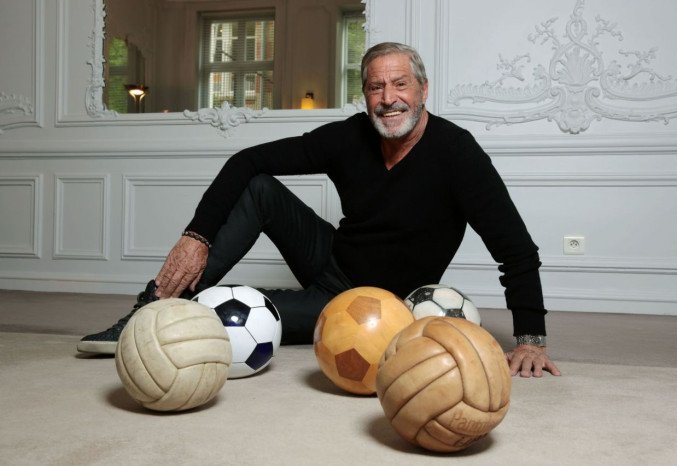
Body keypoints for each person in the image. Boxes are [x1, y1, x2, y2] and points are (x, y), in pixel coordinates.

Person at [78, 42, 560, 378]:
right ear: (365, 95)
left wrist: (530, 339)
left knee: (222, 320)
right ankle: (149, 308)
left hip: (371, 305)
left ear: (423, 89)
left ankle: (187, 304)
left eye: (400, 84)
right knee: (260, 187)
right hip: (331, 258)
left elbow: (516, 250)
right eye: (376, 87)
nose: (388, 99)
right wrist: (196, 237)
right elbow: (246, 161)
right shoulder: (351, 136)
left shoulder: (458, 153)